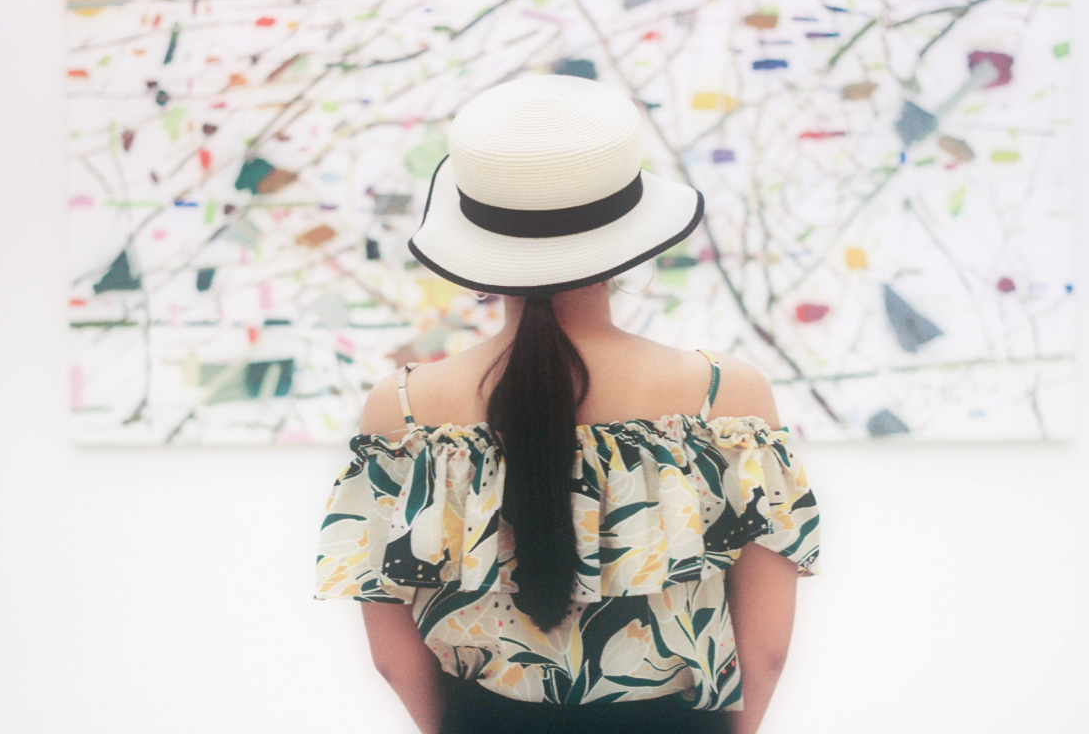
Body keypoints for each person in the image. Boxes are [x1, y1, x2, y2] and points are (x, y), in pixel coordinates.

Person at [314, 74, 820, 734]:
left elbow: (393, 659)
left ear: (479, 243)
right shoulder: (724, 397)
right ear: (628, 239)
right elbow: (766, 651)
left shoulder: (404, 411)